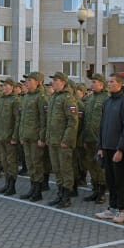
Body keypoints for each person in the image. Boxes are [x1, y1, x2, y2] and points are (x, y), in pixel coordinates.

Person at [95, 73, 124, 224]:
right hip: (107, 147)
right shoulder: (108, 102)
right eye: (108, 81)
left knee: (119, 180)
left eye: (111, 82)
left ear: (119, 84)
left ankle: (120, 210)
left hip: (118, 149)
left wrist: (120, 149)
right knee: (110, 180)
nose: (108, 84)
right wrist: (100, 146)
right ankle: (111, 208)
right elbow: (102, 125)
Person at [46, 72, 78, 208]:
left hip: (63, 142)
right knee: (57, 169)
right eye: (53, 80)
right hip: (53, 140)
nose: (53, 82)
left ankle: (66, 196)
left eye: (56, 80)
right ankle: (60, 193)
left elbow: (73, 121)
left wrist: (67, 140)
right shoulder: (53, 97)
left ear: (63, 82)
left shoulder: (68, 99)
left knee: (65, 169)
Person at [19, 72, 48, 202]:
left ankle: (38, 191)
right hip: (27, 136)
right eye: (27, 80)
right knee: (30, 164)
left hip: (36, 137)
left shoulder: (41, 97)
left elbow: (44, 119)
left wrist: (42, 138)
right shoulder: (26, 97)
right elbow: (22, 119)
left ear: (38, 82)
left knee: (37, 164)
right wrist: (21, 134)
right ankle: (32, 188)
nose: (27, 82)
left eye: (30, 80)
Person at [0, 78, 21, 195]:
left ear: (12, 87)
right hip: (1, 136)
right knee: (4, 162)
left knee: (11, 162)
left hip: (9, 137)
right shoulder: (1, 100)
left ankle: (12, 186)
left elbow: (18, 120)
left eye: (6, 86)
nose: (3, 87)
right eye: (3, 86)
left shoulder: (16, 100)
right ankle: (6, 184)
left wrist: (14, 136)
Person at [82, 73, 108, 204]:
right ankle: (95, 189)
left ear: (102, 84)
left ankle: (102, 191)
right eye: (92, 82)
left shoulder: (106, 99)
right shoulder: (90, 98)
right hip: (89, 138)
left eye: (94, 82)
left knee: (100, 166)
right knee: (91, 165)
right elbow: (86, 119)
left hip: (99, 139)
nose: (92, 84)